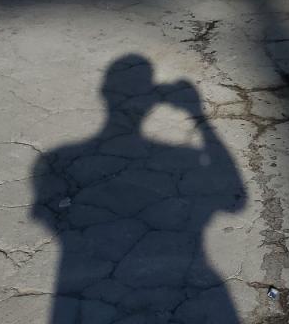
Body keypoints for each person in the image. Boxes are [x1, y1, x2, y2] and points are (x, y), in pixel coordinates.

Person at [32, 54, 246, 323]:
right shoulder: (184, 158)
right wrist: (196, 114)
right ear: (151, 101)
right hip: (187, 291)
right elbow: (235, 200)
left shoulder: (56, 159)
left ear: (103, 93)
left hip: (83, 297)